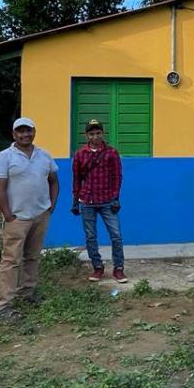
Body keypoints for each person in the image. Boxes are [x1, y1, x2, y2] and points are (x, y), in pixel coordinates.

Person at [0, 117, 59, 321]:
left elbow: (54, 181)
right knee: (11, 260)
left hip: (40, 215)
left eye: (28, 131)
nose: (24, 135)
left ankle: (27, 293)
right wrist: (8, 215)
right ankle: (3, 305)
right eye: (20, 131)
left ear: (34, 132)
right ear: (14, 134)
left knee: (32, 256)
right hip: (17, 218)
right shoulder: (4, 157)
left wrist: (51, 206)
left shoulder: (44, 156)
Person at [72, 119, 127, 284]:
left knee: (116, 236)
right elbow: (76, 179)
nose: (95, 136)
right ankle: (97, 267)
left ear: (102, 133)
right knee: (90, 237)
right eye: (91, 133)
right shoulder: (80, 154)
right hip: (87, 200)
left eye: (98, 133)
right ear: (86, 135)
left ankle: (118, 269)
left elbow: (117, 177)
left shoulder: (112, 153)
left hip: (107, 201)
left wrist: (115, 197)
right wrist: (75, 201)